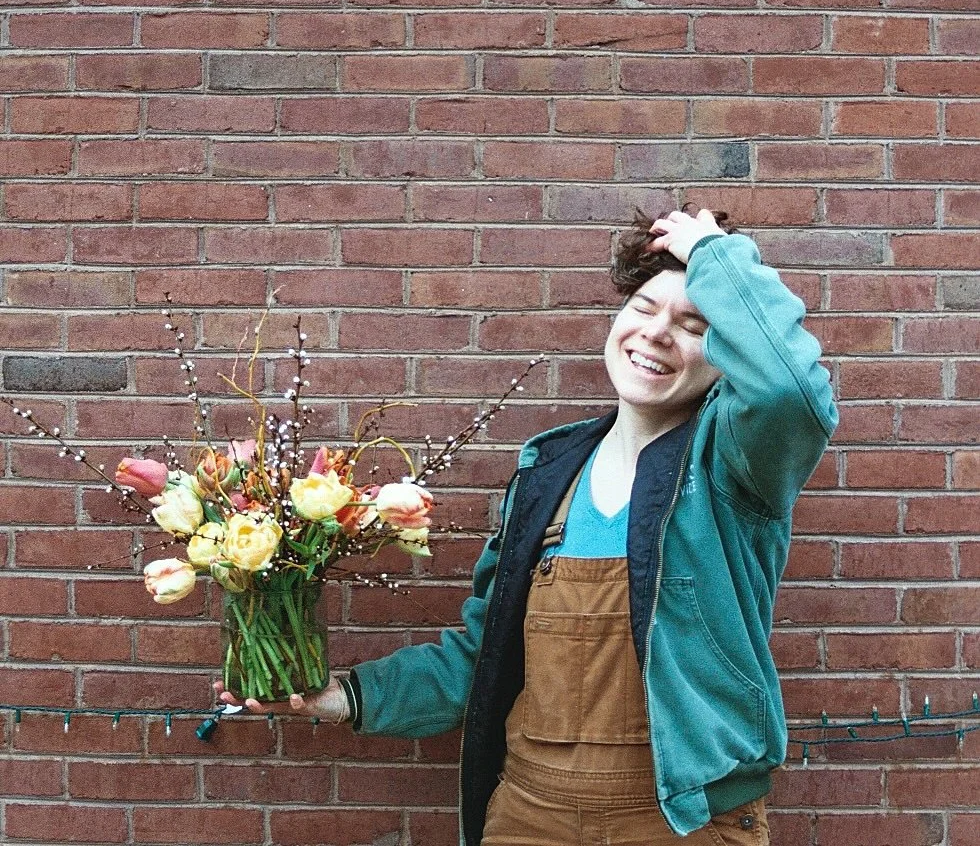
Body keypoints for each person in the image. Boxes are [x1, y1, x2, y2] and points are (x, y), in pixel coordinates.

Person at [218, 207, 837, 844]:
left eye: (693, 325)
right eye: (644, 308)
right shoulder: (549, 470)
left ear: (727, 351)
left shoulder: (734, 467)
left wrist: (714, 252)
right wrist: (346, 697)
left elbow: (790, 390)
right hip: (530, 817)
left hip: (683, 821)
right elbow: (483, 656)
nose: (656, 335)